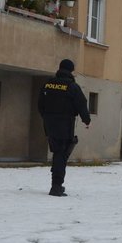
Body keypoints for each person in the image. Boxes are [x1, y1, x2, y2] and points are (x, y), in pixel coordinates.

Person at [37, 58, 90, 196]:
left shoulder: (48, 84)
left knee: (57, 153)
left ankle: (56, 184)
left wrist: (47, 117)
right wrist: (86, 120)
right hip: (65, 125)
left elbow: (40, 104)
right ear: (71, 70)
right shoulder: (72, 86)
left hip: (49, 124)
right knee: (61, 154)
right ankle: (56, 186)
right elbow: (81, 104)